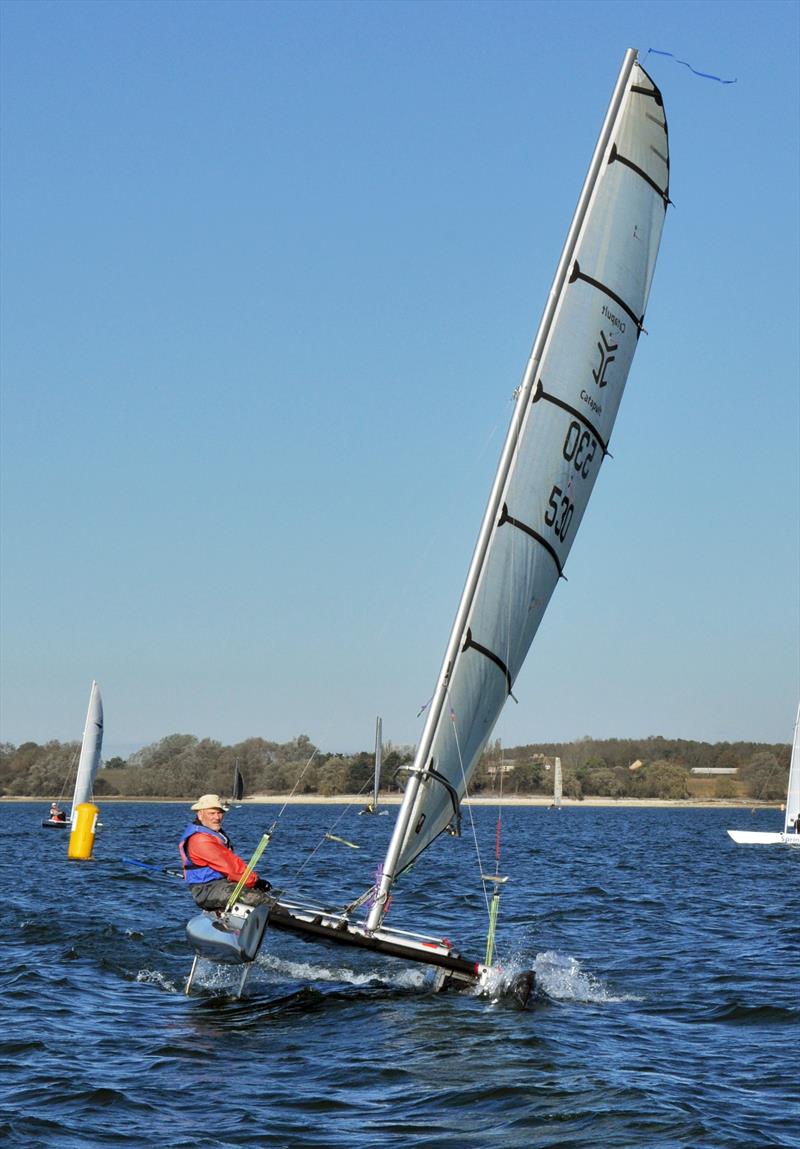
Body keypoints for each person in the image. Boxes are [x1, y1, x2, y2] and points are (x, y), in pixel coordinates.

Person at [178, 794, 273, 910]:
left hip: (219, 885)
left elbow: (231, 863)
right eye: (212, 813)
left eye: (220, 813)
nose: (217, 817)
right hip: (206, 891)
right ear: (200, 815)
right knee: (262, 902)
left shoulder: (211, 833)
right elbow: (230, 866)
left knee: (261, 897)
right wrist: (255, 882)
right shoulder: (200, 840)